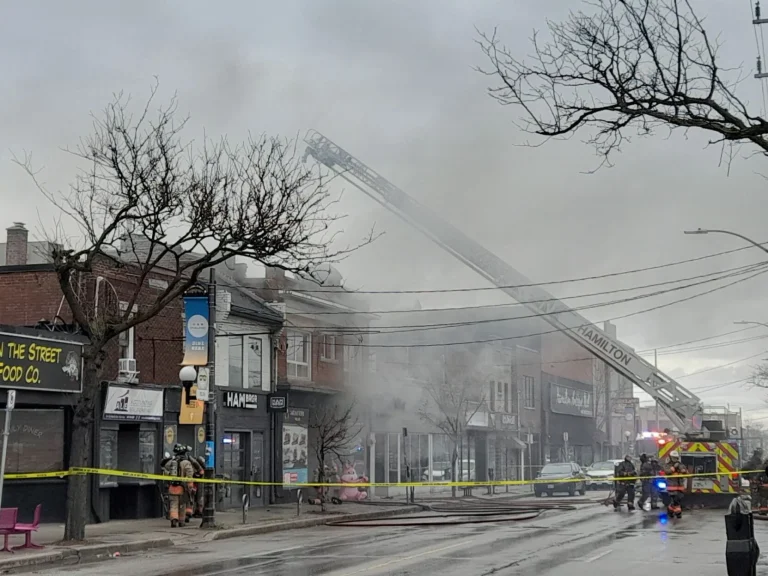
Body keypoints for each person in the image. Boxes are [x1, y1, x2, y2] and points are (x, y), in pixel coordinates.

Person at [162, 444, 195, 527]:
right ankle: (181, 521)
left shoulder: (171, 462)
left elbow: (165, 469)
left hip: (172, 488)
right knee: (182, 506)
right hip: (182, 488)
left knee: (173, 505)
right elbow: (190, 475)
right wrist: (190, 487)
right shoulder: (186, 463)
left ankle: (173, 519)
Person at [664, 449, 686, 518]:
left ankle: (670, 509)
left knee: (678, 499)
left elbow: (684, 470)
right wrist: (674, 468)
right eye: (673, 458)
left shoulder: (680, 464)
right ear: (670, 457)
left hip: (680, 486)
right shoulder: (667, 465)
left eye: (676, 458)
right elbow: (667, 471)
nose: (675, 459)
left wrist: (683, 470)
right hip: (672, 486)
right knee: (675, 500)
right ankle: (678, 513)